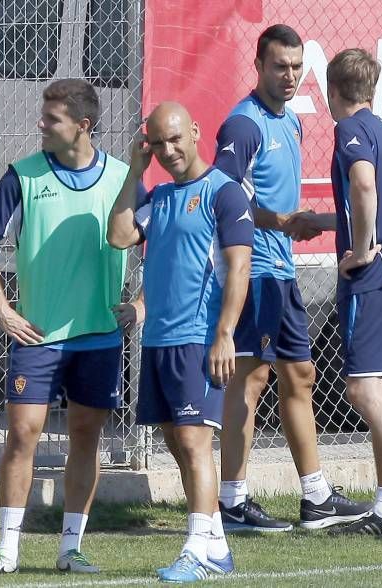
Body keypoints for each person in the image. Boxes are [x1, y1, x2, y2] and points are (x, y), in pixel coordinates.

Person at [0, 79, 145, 576]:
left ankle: (71, 548)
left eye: (52, 119)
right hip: (38, 334)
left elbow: (166, 238)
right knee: (22, 434)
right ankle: (6, 549)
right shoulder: (22, 175)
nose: (40, 125)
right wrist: (3, 309)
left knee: (86, 436)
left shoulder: (121, 176)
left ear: (83, 126)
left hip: (98, 334)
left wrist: (142, 303)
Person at [213, 23, 370, 532]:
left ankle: (316, 496)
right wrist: (278, 222)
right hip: (254, 271)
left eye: (297, 67)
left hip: (282, 269)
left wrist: (298, 222)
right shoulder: (243, 125)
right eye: (280, 66)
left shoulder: (293, 123)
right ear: (258, 66)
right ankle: (231, 502)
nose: (290, 76)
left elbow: (276, 203)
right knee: (252, 378)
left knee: (300, 375)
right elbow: (226, 198)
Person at [294, 48, 382, 538]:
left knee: (360, 387)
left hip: (372, 276)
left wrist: (357, 249)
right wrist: (324, 221)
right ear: (372, 91)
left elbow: (363, 186)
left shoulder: (348, 130)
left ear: (332, 92)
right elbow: (377, 203)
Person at [107, 102, 253, 583]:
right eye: (156, 143)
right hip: (160, 341)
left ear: (195, 132)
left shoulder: (224, 194)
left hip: (199, 340)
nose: (167, 150)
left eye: (175, 139)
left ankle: (196, 549)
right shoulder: (162, 196)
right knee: (175, 441)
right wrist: (135, 168)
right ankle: (217, 546)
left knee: (194, 444)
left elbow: (238, 269)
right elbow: (120, 233)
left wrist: (225, 334)